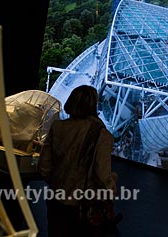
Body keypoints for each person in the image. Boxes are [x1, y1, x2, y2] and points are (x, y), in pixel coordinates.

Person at [38, 85, 119, 237]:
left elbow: (44, 167)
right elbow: (102, 175)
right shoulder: (102, 135)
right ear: (93, 105)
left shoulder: (57, 127)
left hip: (56, 201)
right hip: (82, 207)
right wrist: (111, 188)